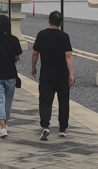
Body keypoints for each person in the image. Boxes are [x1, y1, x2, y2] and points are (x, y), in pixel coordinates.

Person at [30, 11, 74, 140]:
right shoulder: (64, 36)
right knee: (63, 101)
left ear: (49, 21)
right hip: (62, 74)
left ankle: (45, 125)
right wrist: (71, 73)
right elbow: (69, 55)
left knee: (45, 101)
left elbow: (35, 53)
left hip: (46, 73)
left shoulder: (42, 35)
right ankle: (63, 128)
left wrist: (33, 67)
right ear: (61, 23)